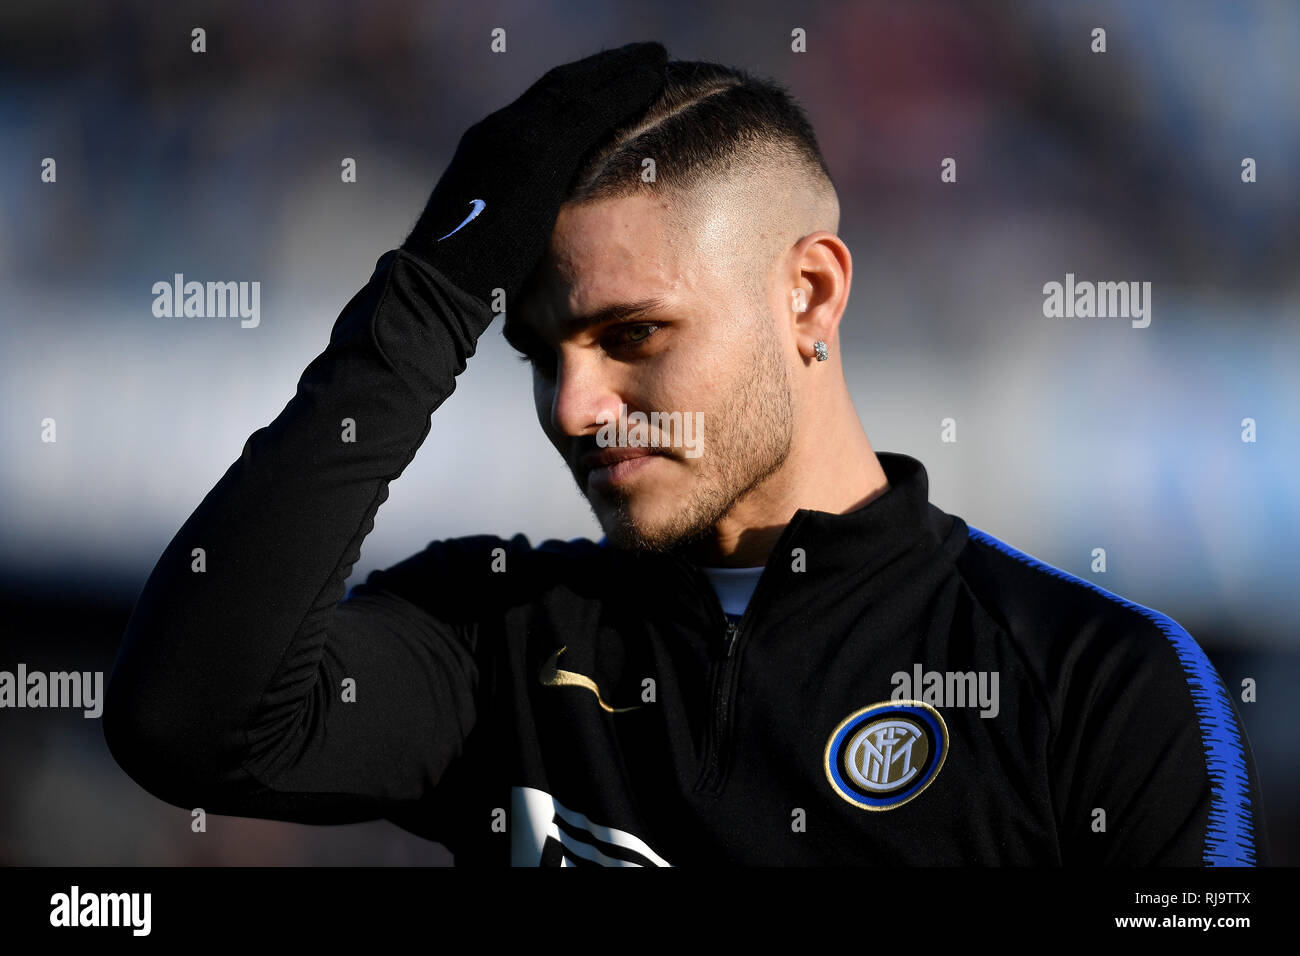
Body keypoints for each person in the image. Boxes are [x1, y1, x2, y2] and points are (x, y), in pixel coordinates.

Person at [104, 41, 1267, 866]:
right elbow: (186, 719)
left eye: (633, 335)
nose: (574, 403)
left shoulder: (1095, 681)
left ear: (808, 292)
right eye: (539, 351)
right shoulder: (499, 636)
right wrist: (432, 293)